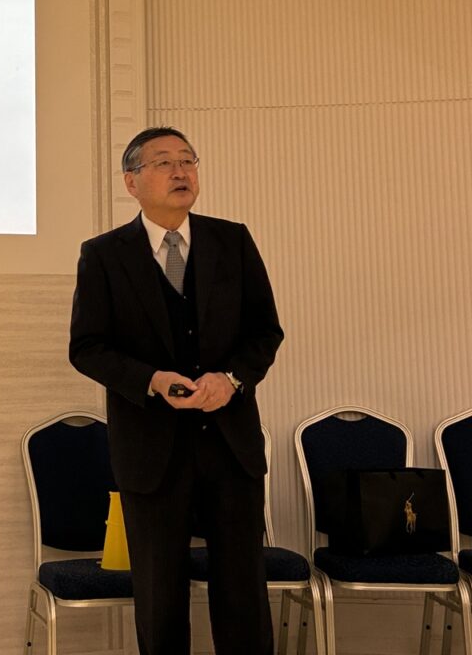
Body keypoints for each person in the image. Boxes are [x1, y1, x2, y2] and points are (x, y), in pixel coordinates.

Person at [69, 126, 283, 655]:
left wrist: (231, 380)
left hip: (230, 445)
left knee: (242, 593)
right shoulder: (104, 255)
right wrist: (151, 380)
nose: (181, 171)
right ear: (132, 181)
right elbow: (87, 347)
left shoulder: (232, 240)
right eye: (164, 162)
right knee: (160, 596)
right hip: (150, 450)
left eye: (188, 160)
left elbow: (265, 331)